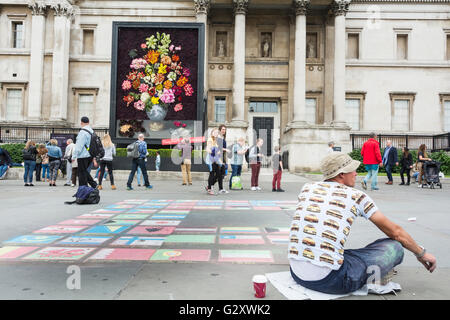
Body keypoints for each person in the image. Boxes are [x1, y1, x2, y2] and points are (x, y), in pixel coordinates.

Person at [288, 152, 437, 295]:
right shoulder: (356, 196)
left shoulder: (307, 188)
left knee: (349, 253)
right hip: (332, 280)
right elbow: (396, 232)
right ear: (341, 174)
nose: (356, 174)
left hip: (297, 274)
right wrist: (421, 253)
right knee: (395, 246)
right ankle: (374, 277)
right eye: (352, 170)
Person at [72, 116, 97, 188]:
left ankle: (83, 192)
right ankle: (93, 185)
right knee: (84, 172)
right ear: (88, 122)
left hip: (83, 155)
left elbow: (79, 146)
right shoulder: (91, 131)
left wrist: (74, 156)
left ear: (81, 123)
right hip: (90, 155)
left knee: (81, 174)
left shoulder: (83, 132)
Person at [205, 128, 223, 195]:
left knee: (218, 173)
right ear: (212, 133)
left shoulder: (216, 140)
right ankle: (209, 189)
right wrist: (212, 152)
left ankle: (209, 186)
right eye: (214, 132)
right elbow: (208, 148)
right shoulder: (210, 139)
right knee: (212, 174)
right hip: (211, 159)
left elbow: (218, 151)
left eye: (217, 132)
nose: (216, 133)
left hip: (216, 159)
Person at [217, 124, 230, 193]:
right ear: (219, 130)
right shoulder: (218, 138)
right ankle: (219, 188)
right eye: (222, 129)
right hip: (219, 157)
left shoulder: (223, 138)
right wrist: (225, 149)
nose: (224, 131)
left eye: (225, 129)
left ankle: (219, 188)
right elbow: (218, 148)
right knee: (219, 174)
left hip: (223, 157)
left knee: (222, 174)